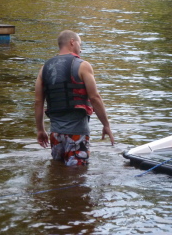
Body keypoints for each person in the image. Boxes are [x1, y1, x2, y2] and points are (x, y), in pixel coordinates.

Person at [34, 30, 114, 166]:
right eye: (80, 44)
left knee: (57, 170)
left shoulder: (44, 68)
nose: (81, 50)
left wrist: (41, 129)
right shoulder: (82, 65)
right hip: (77, 132)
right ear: (72, 42)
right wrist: (106, 125)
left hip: (55, 133)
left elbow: (38, 102)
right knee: (78, 177)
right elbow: (94, 97)